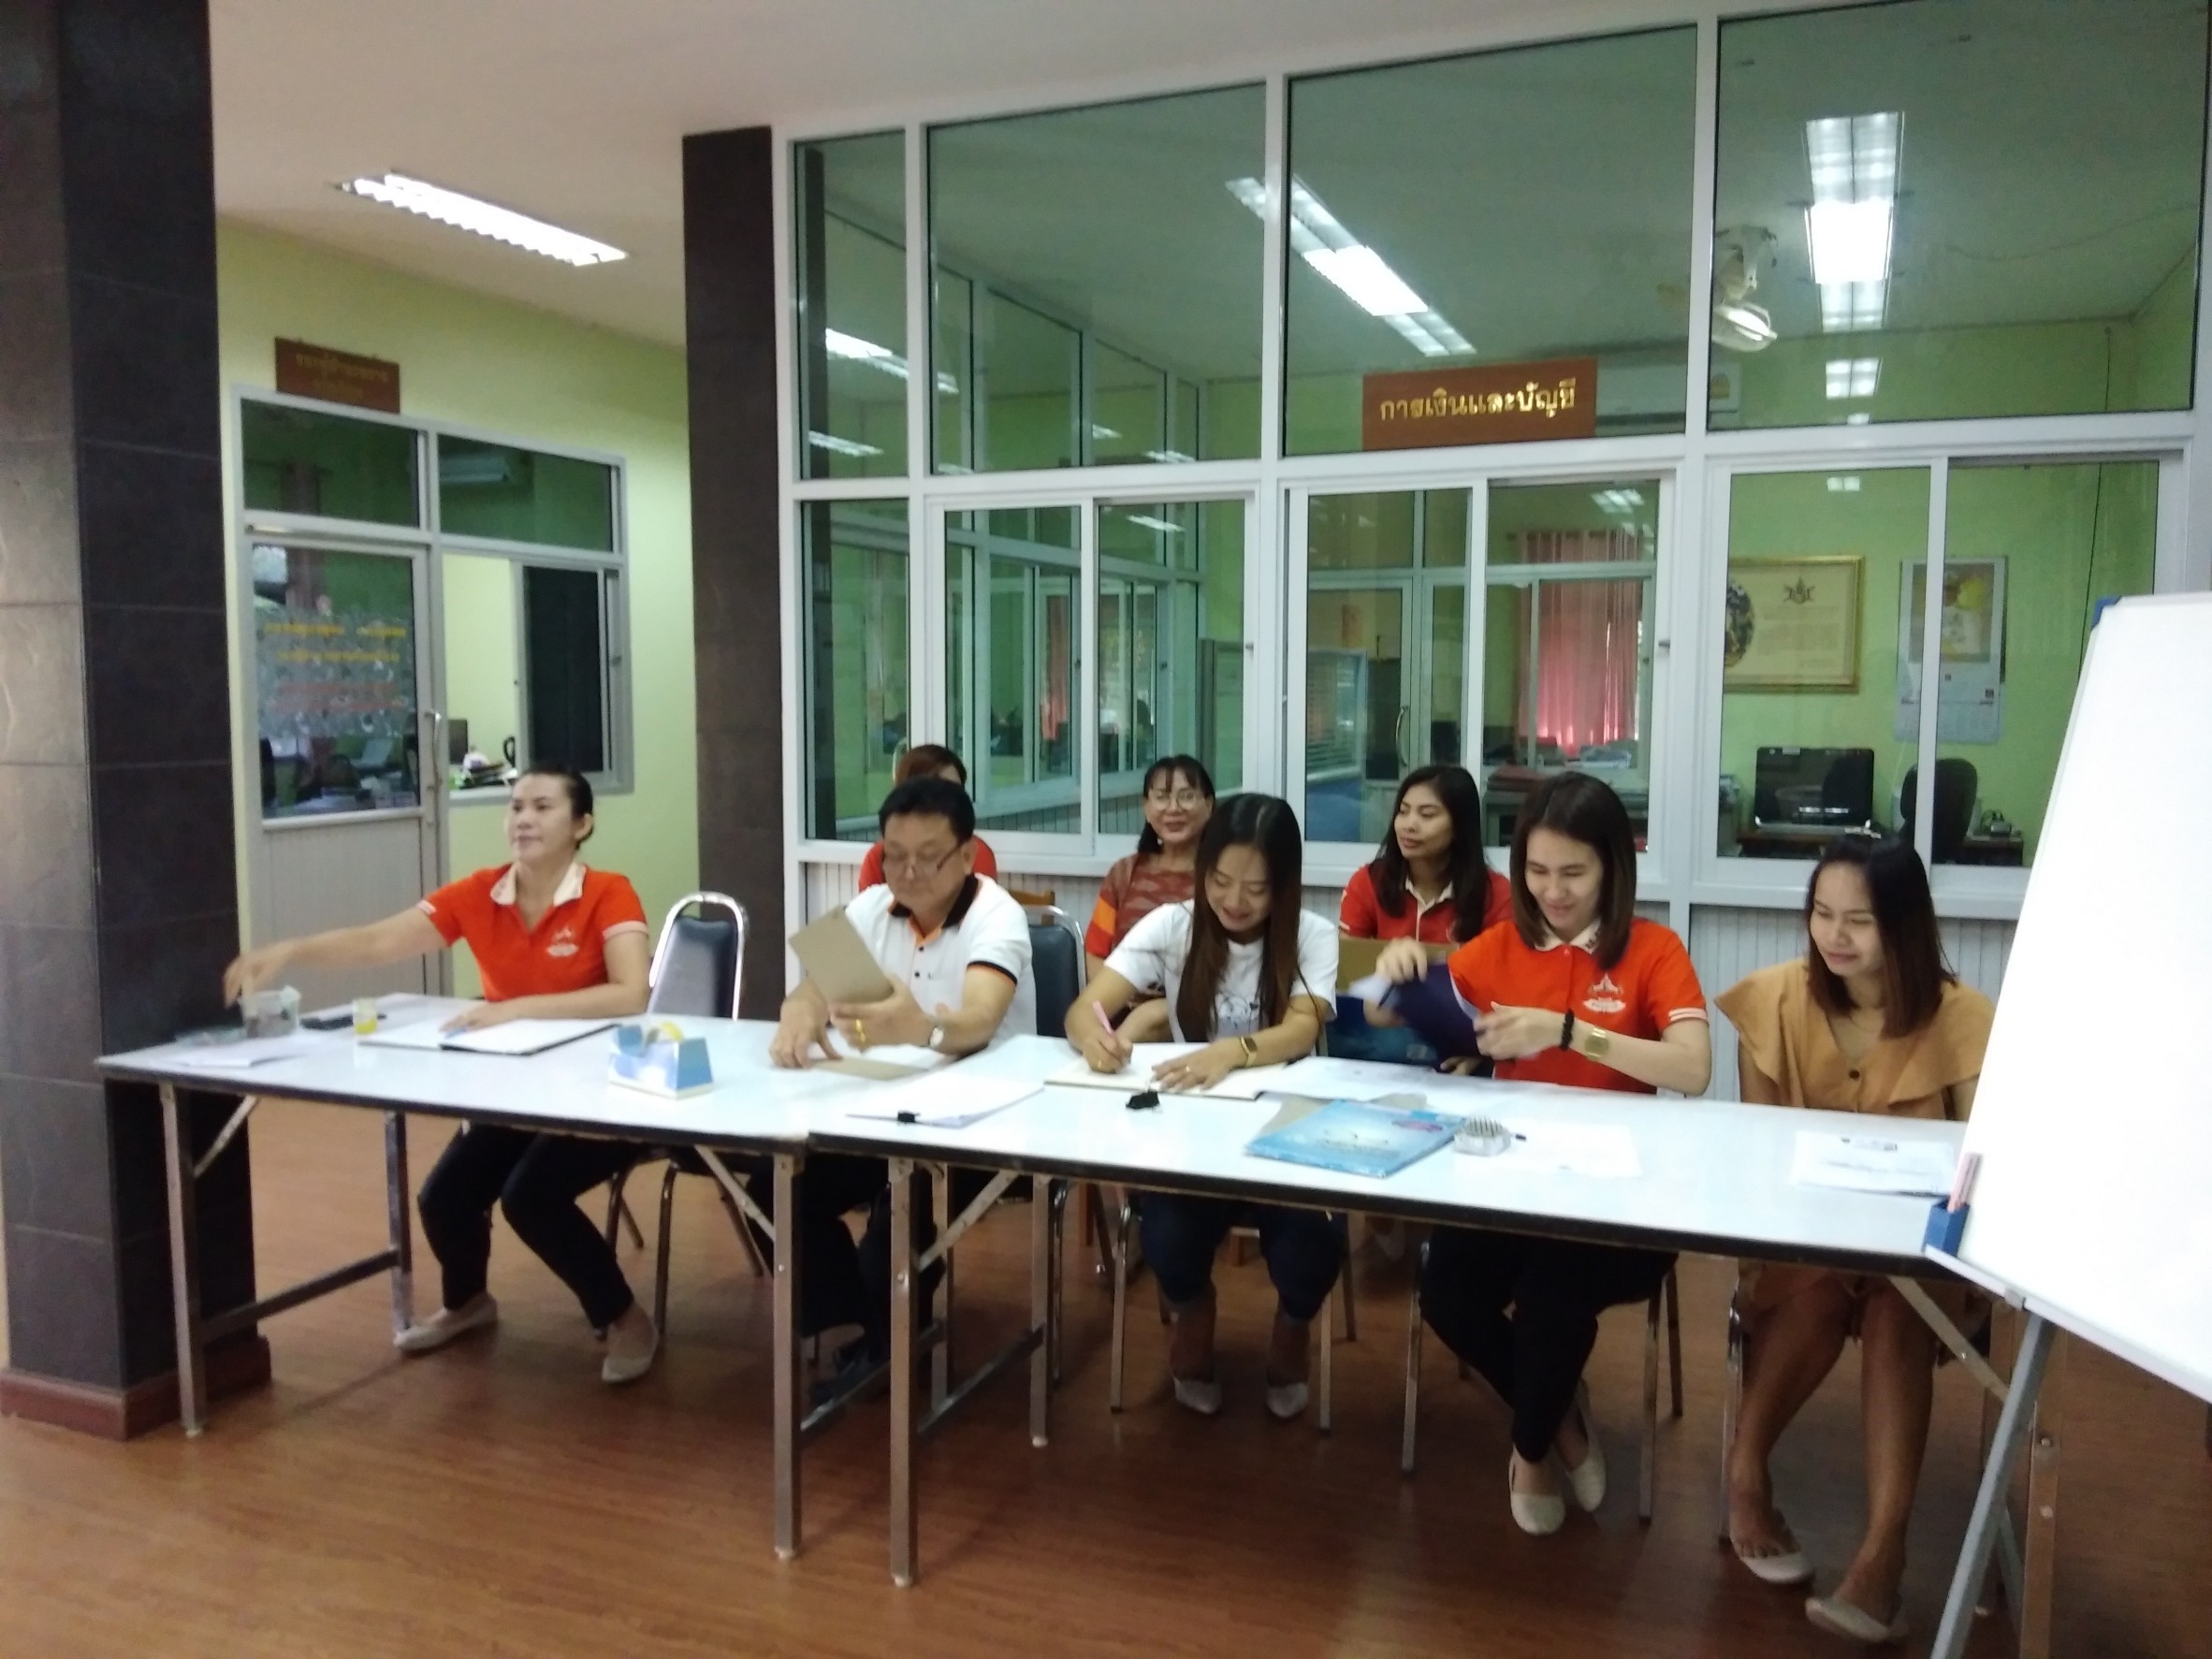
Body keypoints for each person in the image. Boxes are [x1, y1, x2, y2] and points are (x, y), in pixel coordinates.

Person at [222, 765, 660, 1383]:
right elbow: (378, 942)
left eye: (542, 807)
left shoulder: (609, 892)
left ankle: (624, 1317)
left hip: (606, 1092)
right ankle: (468, 1302)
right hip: (517, 1089)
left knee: (530, 1197)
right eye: (516, 806)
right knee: (445, 1197)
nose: (523, 819)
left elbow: (631, 993)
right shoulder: (480, 893)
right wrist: (291, 950)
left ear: (582, 824)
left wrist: (516, 1008)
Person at [1371, 771, 1710, 1533]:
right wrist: (1397, 971)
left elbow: (1693, 1068)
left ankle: (1529, 1449)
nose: (1553, 892)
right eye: (1537, 871)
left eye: (1574, 873)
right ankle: (1560, 1417)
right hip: (1516, 1182)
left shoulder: (1653, 948)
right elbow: (1397, 1008)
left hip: (1621, 1198)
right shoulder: (1502, 946)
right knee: (1447, 1288)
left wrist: (1566, 1031)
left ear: (1613, 868)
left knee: (1552, 1294)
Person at [1717, 836, 1993, 1647]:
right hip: (1804, 1244)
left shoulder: (1967, 1021)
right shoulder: (1773, 1000)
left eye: (1859, 920)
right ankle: (1745, 1474)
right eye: (1821, 913)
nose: (1834, 935)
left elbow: (1980, 1170)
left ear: (1903, 925)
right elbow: (1761, 1156)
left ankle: (1882, 1554)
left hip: (1921, 1258)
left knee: (1895, 1308)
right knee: (1819, 1285)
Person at [1064, 794, 1341, 1420]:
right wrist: (1095, 1038)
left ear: (1284, 885)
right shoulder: (1172, 926)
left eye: (1256, 888)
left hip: (1285, 1130)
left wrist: (1232, 1052)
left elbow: (1301, 1029)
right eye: (1219, 880)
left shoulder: (1313, 935)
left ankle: (1293, 1324)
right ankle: (1193, 1310)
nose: (1234, 901)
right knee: (1166, 1231)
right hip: (1193, 1132)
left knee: (1314, 1243)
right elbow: (1087, 1007)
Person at [769, 775, 1037, 1390]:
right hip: (878, 1112)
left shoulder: (997, 914)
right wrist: (800, 1008)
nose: (908, 872)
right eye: (893, 855)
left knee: (899, 1213)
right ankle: (862, 1329)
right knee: (780, 1184)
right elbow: (814, 984)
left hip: (980, 1125)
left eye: (928, 856)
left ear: (966, 856)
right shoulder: (872, 907)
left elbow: (980, 1019)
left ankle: (885, 1345)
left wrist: (922, 1027)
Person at [1339, 764, 1510, 945]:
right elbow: (1349, 959)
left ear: (1460, 826)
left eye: (1427, 815)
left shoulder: (1498, 896)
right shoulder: (1367, 883)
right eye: (1403, 811)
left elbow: (1504, 962)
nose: (1409, 825)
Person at [1084, 754, 1216, 979]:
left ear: (1209, 805)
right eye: (1162, 797)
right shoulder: (1123, 873)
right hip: (1122, 999)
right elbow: (1095, 953)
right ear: (1146, 807)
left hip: (1199, 1000)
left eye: (1186, 796)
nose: (1173, 808)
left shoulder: (1222, 876)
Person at [856, 745, 997, 890]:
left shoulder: (975, 852)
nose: (949, 800)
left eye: (956, 791)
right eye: (936, 791)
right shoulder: (878, 856)